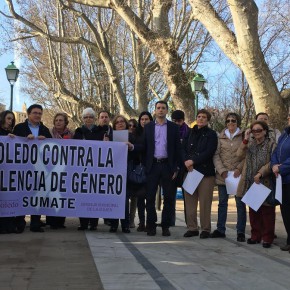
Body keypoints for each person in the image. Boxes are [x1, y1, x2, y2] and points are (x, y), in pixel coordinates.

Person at [143, 101, 181, 236]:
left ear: (167, 111)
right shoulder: (147, 127)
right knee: (150, 197)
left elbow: (178, 149)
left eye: (163, 108)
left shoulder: (173, 128)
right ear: (154, 110)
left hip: (167, 166)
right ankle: (151, 225)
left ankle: (165, 225)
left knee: (169, 198)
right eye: (158, 108)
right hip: (152, 166)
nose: (160, 110)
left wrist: (176, 168)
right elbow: (144, 147)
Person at [13, 104, 52, 233]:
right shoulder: (19, 128)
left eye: (40, 113)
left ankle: (35, 223)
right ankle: (20, 223)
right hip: (23, 168)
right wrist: (25, 139)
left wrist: (45, 140)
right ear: (28, 114)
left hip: (40, 168)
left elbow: (51, 147)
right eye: (35, 113)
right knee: (22, 193)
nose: (37, 115)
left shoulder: (45, 130)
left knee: (38, 195)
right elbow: (13, 145)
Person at [236, 121, 276, 248]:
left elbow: (272, 162)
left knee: (267, 212)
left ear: (265, 131)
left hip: (265, 181)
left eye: (259, 130)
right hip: (251, 181)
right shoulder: (250, 144)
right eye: (254, 131)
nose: (257, 133)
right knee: (254, 212)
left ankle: (267, 238)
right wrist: (245, 139)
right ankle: (255, 236)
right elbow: (239, 155)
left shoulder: (271, 144)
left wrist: (260, 173)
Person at [182, 109, 218, 239]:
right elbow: (183, 148)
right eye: (199, 116)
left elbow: (209, 151)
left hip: (205, 173)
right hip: (190, 171)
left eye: (204, 117)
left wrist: (193, 160)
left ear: (207, 120)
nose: (201, 119)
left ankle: (205, 229)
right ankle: (192, 228)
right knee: (190, 202)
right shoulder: (189, 133)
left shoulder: (212, 134)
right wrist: (186, 161)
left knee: (205, 203)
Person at [211, 113, 246, 242]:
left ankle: (241, 231)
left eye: (234, 120)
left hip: (238, 176)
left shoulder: (243, 137)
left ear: (238, 122)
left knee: (240, 204)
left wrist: (239, 168)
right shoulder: (220, 137)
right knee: (222, 203)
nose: (231, 123)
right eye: (228, 120)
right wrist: (222, 170)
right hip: (223, 176)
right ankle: (220, 229)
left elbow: (246, 155)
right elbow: (216, 155)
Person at [73, 108, 103, 231]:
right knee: (83, 195)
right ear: (83, 119)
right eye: (86, 117)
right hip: (82, 169)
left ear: (94, 118)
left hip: (97, 168)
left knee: (95, 195)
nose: (88, 119)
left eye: (91, 117)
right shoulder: (79, 131)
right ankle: (83, 223)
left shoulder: (101, 131)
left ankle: (94, 223)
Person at [46, 113, 74, 229]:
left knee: (62, 194)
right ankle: (51, 221)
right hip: (50, 169)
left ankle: (60, 221)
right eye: (56, 120)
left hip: (65, 169)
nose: (58, 122)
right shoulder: (49, 133)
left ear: (65, 122)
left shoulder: (71, 134)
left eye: (61, 120)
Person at [132, 112, 153, 232]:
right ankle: (141, 222)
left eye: (146, 119)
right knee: (140, 197)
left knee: (150, 197)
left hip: (152, 168)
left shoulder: (154, 133)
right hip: (139, 169)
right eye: (142, 119)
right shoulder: (135, 134)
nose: (144, 121)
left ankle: (150, 222)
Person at [109, 115, 131, 233]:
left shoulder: (131, 136)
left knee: (124, 199)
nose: (120, 124)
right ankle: (113, 224)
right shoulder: (110, 137)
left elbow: (139, 147)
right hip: (113, 172)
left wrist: (131, 146)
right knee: (113, 197)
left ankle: (125, 225)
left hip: (126, 171)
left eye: (122, 121)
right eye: (117, 122)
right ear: (114, 125)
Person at [271, 113, 290, 251]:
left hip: (286, 175)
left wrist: (281, 167)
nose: (289, 118)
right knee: (286, 211)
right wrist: (274, 165)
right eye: (288, 116)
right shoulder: (284, 134)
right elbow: (276, 152)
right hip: (282, 180)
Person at [0, 110, 17, 234]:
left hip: (8, 174)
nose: (10, 121)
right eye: (8, 118)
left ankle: (8, 225)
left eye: (12, 119)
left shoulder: (12, 134)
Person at [128, 118, 138, 228]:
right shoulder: (121, 136)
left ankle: (131, 220)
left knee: (134, 197)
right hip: (123, 168)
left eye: (133, 126)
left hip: (135, 168)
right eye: (129, 125)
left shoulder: (138, 138)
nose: (131, 127)